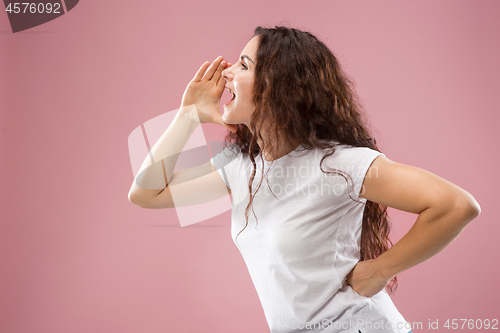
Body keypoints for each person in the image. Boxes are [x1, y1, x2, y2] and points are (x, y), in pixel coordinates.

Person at [128, 26, 481, 333]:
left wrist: (379, 271)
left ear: (279, 85)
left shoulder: (337, 162)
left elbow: (456, 205)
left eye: (244, 65)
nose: (227, 75)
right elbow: (145, 193)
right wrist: (188, 115)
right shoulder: (241, 166)